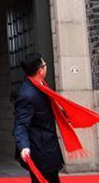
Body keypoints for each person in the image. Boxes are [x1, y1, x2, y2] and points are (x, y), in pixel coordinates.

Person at [14, 54, 64, 183]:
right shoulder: (27, 94)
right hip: (40, 150)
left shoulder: (40, 85)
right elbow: (20, 124)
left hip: (47, 145)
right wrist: (24, 147)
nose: (46, 67)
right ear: (40, 70)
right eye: (45, 65)